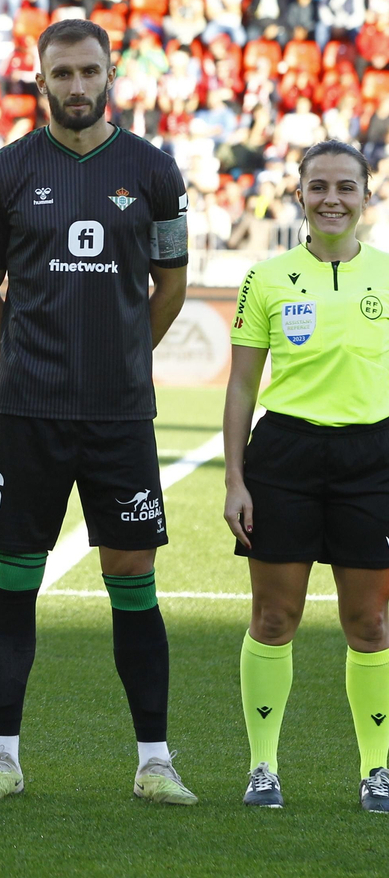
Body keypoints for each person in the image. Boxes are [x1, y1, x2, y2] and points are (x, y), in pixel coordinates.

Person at [0, 19, 195, 805]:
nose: (77, 86)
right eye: (63, 74)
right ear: (41, 79)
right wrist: (25, 353)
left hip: (120, 415)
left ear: (111, 74)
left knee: (134, 577)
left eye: (89, 71)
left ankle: (155, 761)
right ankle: (1, 758)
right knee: (14, 581)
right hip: (27, 411)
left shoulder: (155, 172)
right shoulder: (7, 172)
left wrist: (124, 356)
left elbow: (171, 284)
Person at [223, 140, 389, 813]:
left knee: (371, 623)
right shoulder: (265, 278)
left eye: (345, 187)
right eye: (318, 186)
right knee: (273, 615)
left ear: (366, 197)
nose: (331, 199)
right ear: (299, 196)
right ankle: (263, 767)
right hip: (284, 455)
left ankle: (377, 770)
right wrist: (235, 477)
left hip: (372, 460)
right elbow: (240, 387)